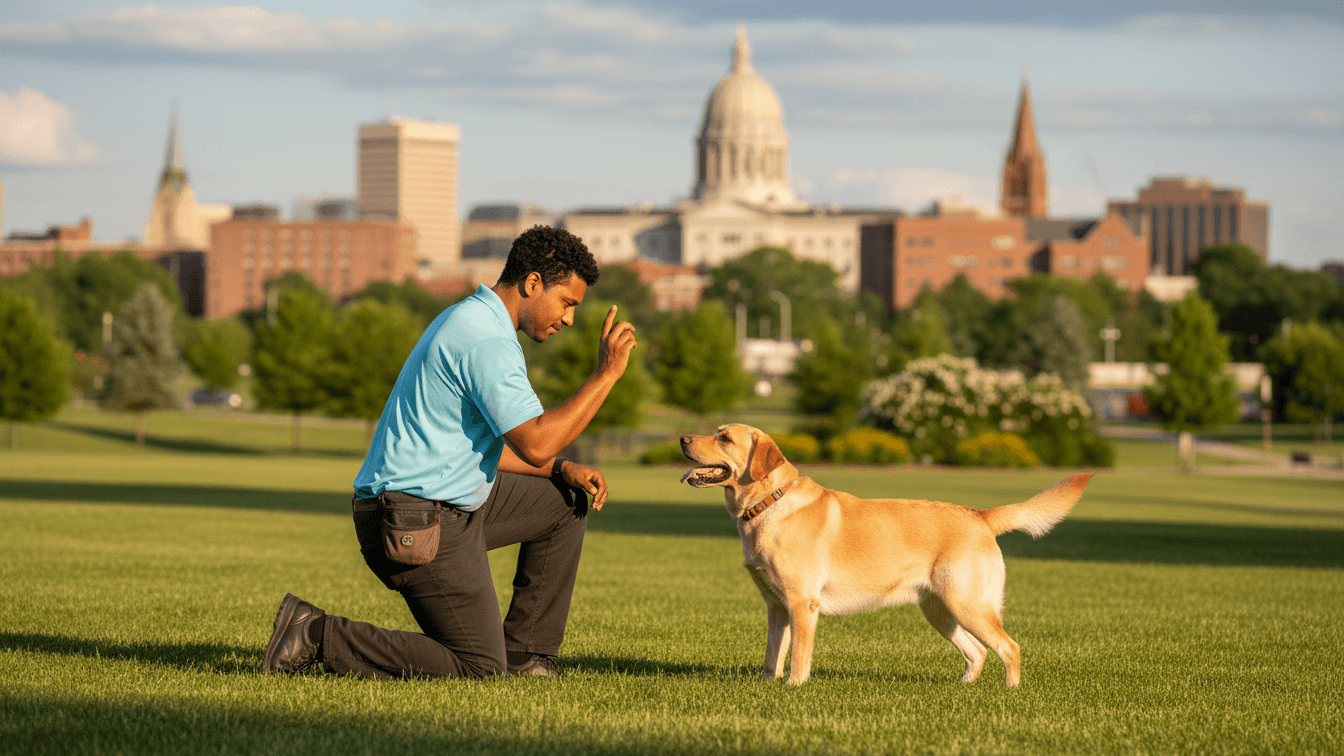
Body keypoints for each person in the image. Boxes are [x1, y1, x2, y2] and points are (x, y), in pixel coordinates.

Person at [262, 225, 637, 679]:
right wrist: (607, 376)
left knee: (564, 500)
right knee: (478, 667)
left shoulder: (473, 319)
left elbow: (488, 447)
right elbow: (537, 442)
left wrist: (564, 467)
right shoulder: (486, 340)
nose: (569, 319)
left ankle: (527, 656)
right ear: (533, 283)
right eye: (568, 303)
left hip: (439, 504)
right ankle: (316, 634)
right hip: (410, 519)